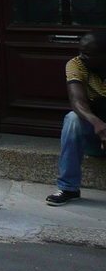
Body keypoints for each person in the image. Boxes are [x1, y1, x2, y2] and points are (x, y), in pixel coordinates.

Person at [45, 29, 106, 206]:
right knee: (73, 119)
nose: (81, 57)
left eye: (87, 54)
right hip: (94, 138)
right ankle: (68, 188)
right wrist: (98, 124)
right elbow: (76, 100)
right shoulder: (76, 64)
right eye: (80, 52)